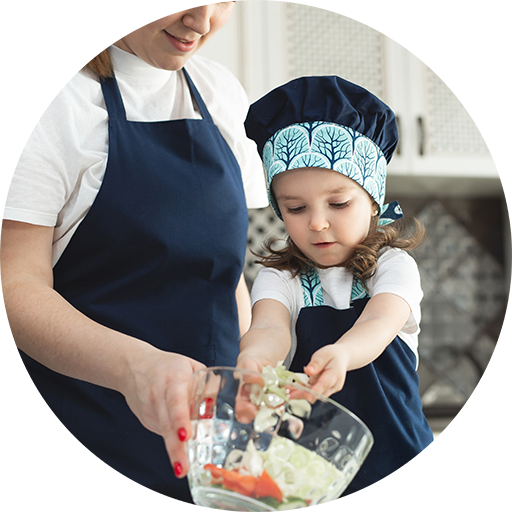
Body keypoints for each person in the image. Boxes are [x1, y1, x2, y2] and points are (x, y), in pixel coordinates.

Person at [0, 0, 267, 510]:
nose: (202, 18)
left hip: (206, 464)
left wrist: (246, 378)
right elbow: (12, 287)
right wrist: (136, 368)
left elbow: (225, 272)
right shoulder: (43, 97)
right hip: (70, 454)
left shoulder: (222, 94)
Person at [238, 76, 434, 512]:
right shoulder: (281, 279)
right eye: (296, 208)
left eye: (339, 203)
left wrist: (343, 354)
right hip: (306, 462)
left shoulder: (393, 267)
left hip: (395, 456)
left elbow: (381, 322)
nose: (318, 223)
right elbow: (269, 327)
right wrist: (254, 359)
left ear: (372, 201)